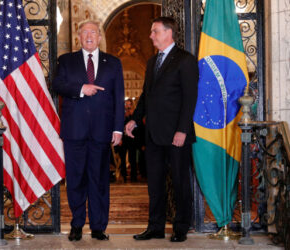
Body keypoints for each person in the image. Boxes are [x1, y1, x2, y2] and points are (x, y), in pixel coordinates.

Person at [125, 17, 199, 243]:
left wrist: (182, 130)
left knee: (179, 183)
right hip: (154, 135)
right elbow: (147, 97)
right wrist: (134, 120)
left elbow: (190, 99)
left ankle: (180, 228)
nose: (150, 35)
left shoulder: (185, 60)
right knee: (155, 185)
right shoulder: (151, 62)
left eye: (154, 31)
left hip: (177, 135)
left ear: (168, 33)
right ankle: (155, 227)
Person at [53, 20, 124, 241]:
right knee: (75, 179)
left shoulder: (113, 63)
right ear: (79, 37)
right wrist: (81, 89)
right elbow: (56, 85)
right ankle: (76, 225)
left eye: (93, 32)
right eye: (85, 33)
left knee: (99, 180)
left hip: (102, 132)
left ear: (100, 37)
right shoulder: (66, 60)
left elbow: (118, 98)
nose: (89, 36)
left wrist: (118, 129)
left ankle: (98, 226)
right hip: (74, 131)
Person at [116, 99, 137, 182]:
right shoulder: (122, 114)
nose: (128, 106)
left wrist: (132, 116)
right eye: (126, 104)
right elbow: (119, 126)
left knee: (132, 159)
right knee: (123, 159)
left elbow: (137, 127)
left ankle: (133, 177)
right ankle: (124, 176)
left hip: (132, 139)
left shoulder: (135, 114)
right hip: (123, 139)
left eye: (129, 104)